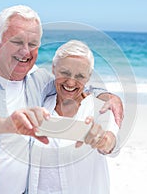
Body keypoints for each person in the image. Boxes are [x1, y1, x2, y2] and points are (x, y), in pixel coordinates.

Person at [0, 5, 123, 194]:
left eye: (33, 44)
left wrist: (109, 96)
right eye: (17, 41)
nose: (26, 52)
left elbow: (72, 83)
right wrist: (7, 124)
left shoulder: (39, 81)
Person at [26, 40, 120, 194]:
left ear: (88, 77)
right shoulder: (42, 104)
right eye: (65, 73)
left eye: (80, 76)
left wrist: (103, 141)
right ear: (54, 69)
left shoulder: (100, 108)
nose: (70, 82)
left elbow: (112, 144)